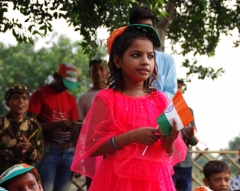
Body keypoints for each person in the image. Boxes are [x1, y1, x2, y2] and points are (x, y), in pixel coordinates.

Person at [71, 24, 187, 191]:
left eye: (150, 56)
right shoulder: (106, 98)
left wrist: (168, 142)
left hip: (156, 181)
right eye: (136, 55)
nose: (145, 62)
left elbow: (170, 152)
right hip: (116, 181)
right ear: (118, 61)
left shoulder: (162, 100)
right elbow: (91, 146)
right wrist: (131, 137)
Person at [27, 63, 79, 191]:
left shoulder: (70, 99)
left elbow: (76, 127)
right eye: (63, 83)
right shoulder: (40, 94)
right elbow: (30, 125)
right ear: (56, 76)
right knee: (45, 188)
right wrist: (56, 125)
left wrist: (77, 154)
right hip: (48, 150)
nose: (65, 88)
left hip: (69, 152)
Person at [129, 6, 177, 100]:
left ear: (154, 29)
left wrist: (148, 102)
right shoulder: (125, 59)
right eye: (139, 29)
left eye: (148, 28)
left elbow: (171, 94)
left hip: (159, 112)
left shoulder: (167, 61)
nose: (144, 32)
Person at [76, 56, 108, 189]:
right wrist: (80, 156)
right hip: (93, 151)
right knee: (93, 185)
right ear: (90, 72)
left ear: (108, 71)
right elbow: (80, 130)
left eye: (102, 68)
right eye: (94, 69)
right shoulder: (83, 98)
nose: (98, 72)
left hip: (116, 146)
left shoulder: (116, 92)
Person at [0, 85, 43, 173]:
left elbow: (39, 155)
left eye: (24, 98)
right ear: (8, 103)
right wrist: (12, 153)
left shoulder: (34, 125)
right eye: (16, 98)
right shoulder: (1, 123)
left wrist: (29, 149)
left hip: (25, 175)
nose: (21, 101)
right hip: (2, 175)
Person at [172, 79, 198, 191]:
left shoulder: (188, 110)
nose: (178, 90)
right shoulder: (162, 109)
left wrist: (190, 136)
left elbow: (195, 140)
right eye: (176, 86)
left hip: (185, 163)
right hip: (169, 163)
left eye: (180, 87)